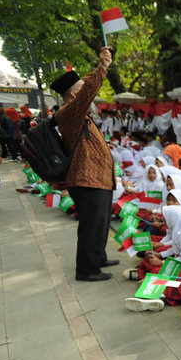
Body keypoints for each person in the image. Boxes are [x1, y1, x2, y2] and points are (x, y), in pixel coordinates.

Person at [50, 47, 118, 281]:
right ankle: (87, 270)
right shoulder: (68, 113)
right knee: (92, 225)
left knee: (101, 223)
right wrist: (102, 68)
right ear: (72, 94)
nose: (87, 94)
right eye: (81, 90)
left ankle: (98, 258)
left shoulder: (82, 116)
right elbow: (89, 89)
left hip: (99, 179)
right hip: (87, 180)